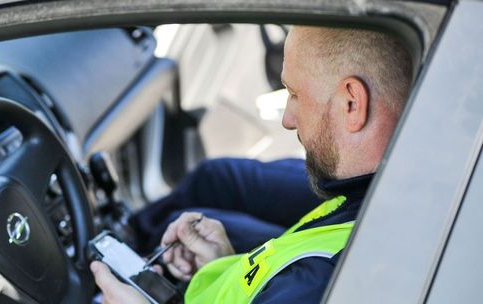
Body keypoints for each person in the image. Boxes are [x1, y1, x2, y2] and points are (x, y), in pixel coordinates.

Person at [90, 25, 413, 303]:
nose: (287, 119)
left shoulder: (312, 283)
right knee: (214, 181)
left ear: (352, 104)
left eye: (295, 94)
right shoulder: (364, 192)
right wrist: (221, 266)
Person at [130, 157, 322, 254]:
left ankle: (130, 268)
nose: (288, 119)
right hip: (348, 204)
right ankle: (130, 234)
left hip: (339, 265)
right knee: (215, 175)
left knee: (186, 229)